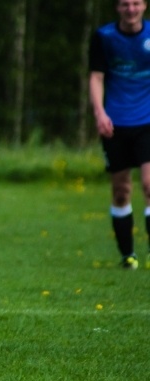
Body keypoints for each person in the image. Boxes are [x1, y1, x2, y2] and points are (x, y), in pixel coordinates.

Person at [89, 0, 150, 269]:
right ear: (117, 8)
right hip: (115, 123)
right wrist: (100, 113)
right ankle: (128, 256)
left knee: (149, 185)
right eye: (125, 4)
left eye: (136, 3)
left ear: (145, 6)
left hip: (147, 121)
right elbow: (96, 77)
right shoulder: (104, 37)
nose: (131, 9)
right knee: (122, 190)